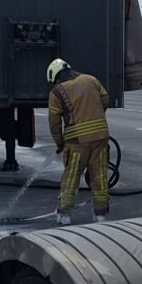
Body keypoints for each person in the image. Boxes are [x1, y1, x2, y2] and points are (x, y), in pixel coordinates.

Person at [47, 58, 110, 225]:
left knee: (71, 176)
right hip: (100, 137)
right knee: (99, 175)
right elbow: (105, 100)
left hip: (76, 142)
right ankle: (101, 215)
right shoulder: (91, 79)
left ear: (55, 76)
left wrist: (60, 143)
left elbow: (54, 123)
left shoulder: (57, 91)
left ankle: (65, 215)